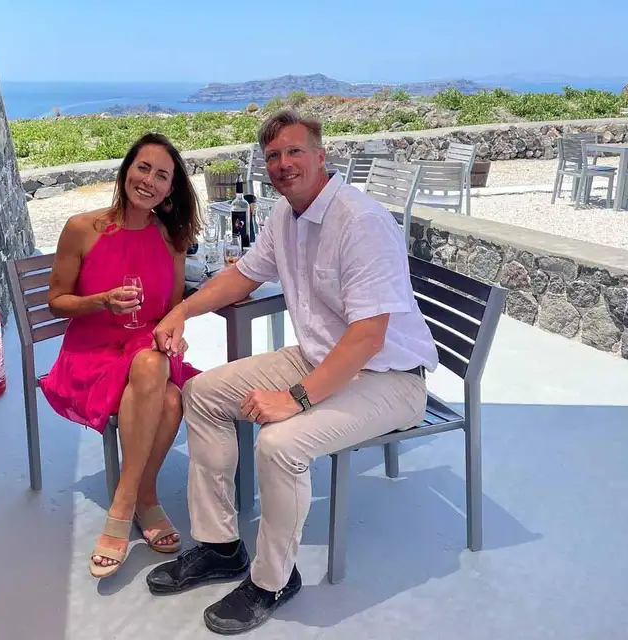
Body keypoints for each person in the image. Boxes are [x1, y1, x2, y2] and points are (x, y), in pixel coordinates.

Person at [146, 110, 439, 634]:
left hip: (389, 378)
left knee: (280, 444)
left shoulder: (361, 222)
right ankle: (220, 546)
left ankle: (273, 580)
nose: (283, 163)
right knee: (203, 392)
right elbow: (242, 276)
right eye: (274, 155)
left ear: (321, 156)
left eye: (295, 151)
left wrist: (296, 398)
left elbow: (368, 337)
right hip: (319, 356)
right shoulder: (286, 214)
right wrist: (180, 312)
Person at [40, 132, 202, 579]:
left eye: (162, 175)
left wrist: (174, 334)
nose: (149, 180)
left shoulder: (171, 237)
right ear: (126, 169)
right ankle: (139, 499)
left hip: (144, 347)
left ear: (170, 190)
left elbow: (170, 311)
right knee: (168, 395)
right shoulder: (82, 228)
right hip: (90, 351)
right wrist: (101, 302)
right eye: (143, 167)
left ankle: (129, 498)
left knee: (160, 377)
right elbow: (56, 301)